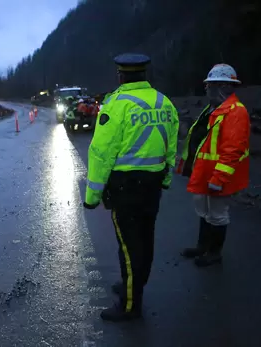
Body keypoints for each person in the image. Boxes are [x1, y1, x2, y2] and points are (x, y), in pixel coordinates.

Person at [83, 53, 179, 321]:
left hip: (126, 188)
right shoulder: (164, 102)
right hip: (153, 185)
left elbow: (101, 153)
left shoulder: (115, 105)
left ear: (120, 76)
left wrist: (92, 196)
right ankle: (134, 286)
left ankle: (128, 304)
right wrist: (167, 178)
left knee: (127, 246)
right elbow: (171, 146)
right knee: (145, 240)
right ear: (144, 74)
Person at [176, 63, 250, 267]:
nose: (207, 89)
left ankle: (214, 252)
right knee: (204, 210)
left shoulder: (235, 112)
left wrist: (219, 178)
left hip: (219, 175)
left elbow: (233, 149)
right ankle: (203, 246)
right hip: (205, 172)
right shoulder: (213, 109)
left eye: (210, 85)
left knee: (217, 214)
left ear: (224, 86)